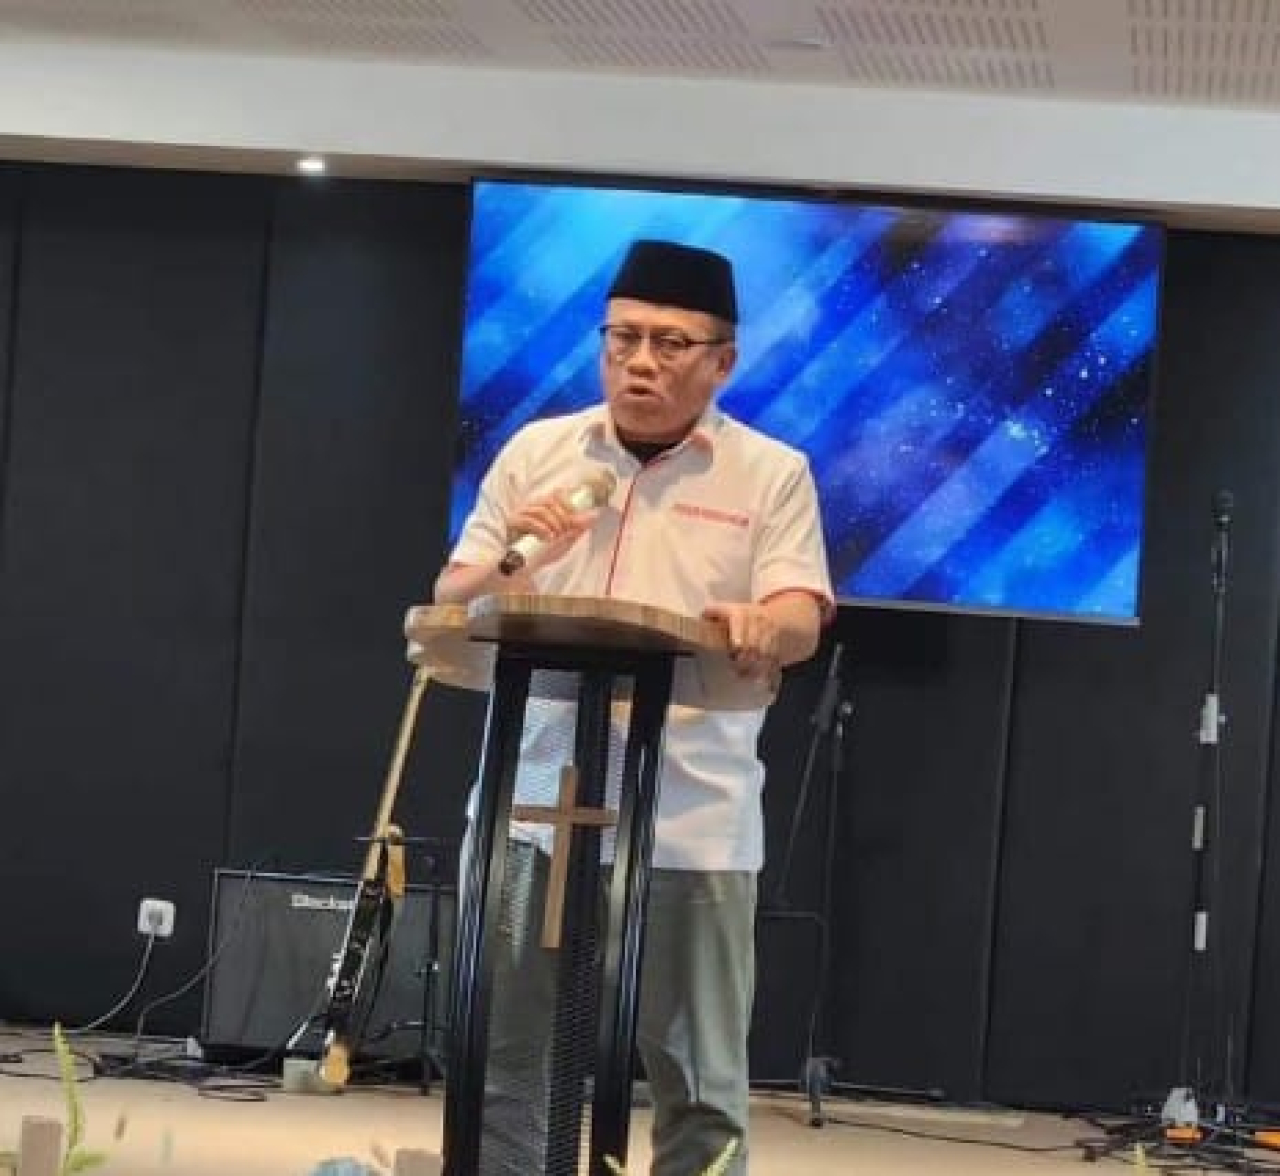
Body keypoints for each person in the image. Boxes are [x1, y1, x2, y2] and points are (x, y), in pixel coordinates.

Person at [435, 238, 833, 1174]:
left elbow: (799, 615)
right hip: (535, 811)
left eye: (669, 343)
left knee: (697, 1085)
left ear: (722, 361)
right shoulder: (540, 451)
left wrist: (762, 623)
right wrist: (513, 558)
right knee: (504, 1062)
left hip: (689, 819)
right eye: (622, 338)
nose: (639, 361)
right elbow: (452, 602)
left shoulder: (770, 473)